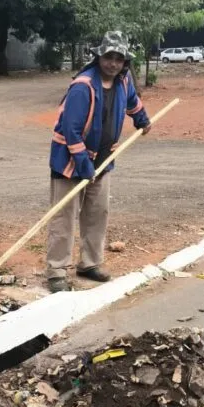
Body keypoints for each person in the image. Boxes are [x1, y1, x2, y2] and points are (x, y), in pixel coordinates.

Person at [47, 31, 151, 293]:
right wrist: (84, 165)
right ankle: (57, 270)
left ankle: (90, 263)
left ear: (125, 62)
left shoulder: (123, 82)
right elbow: (71, 130)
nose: (113, 63)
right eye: (108, 57)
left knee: (97, 214)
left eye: (118, 59)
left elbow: (133, 103)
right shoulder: (83, 86)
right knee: (64, 217)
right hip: (70, 162)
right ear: (99, 57)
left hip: (103, 161)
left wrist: (142, 119)